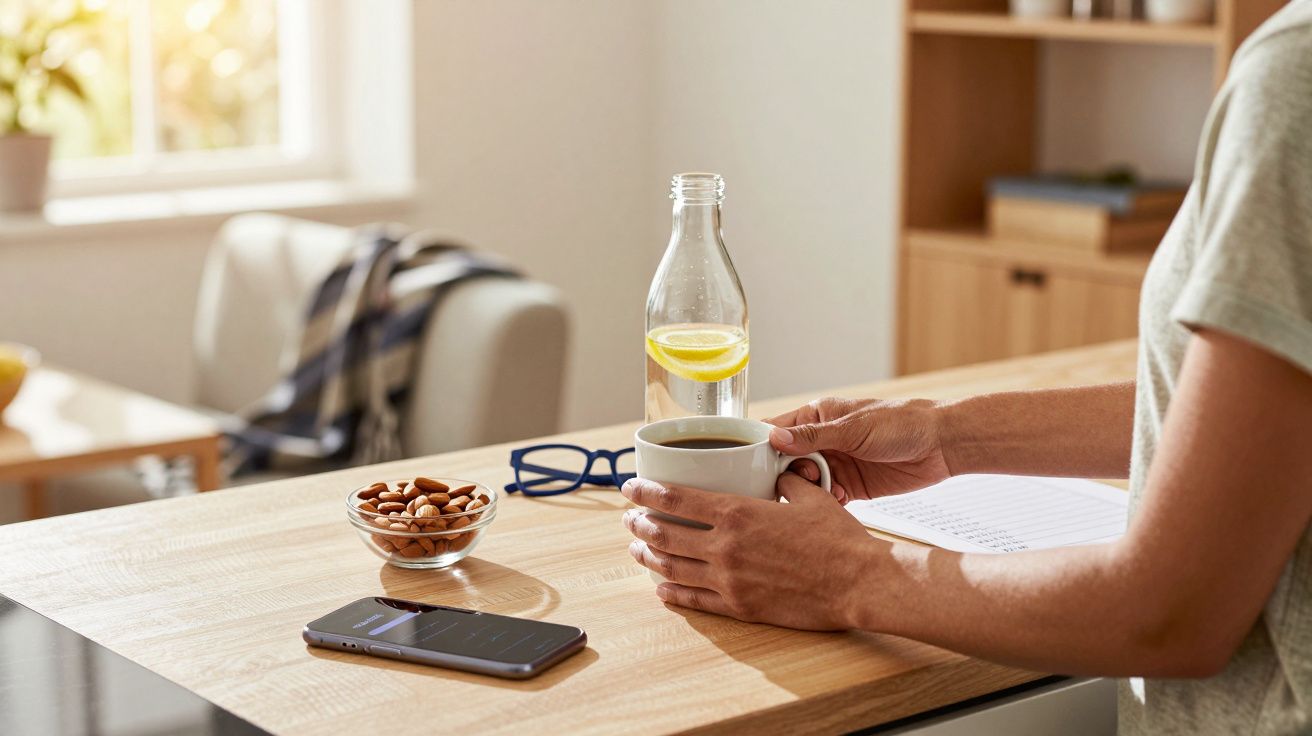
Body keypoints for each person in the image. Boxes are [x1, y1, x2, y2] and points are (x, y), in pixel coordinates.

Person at [620, 2, 1312, 733]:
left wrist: (850, 576)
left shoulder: (1294, 76)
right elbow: (1256, 427)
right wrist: (949, 435)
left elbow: (1170, 612)